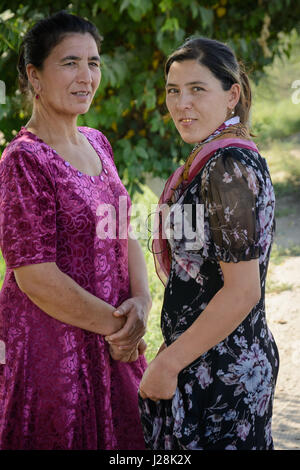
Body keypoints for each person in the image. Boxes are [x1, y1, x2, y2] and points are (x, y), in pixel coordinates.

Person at [0, 11, 151, 450]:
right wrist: (120, 328)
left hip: (114, 340)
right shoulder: (23, 160)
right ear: (35, 76)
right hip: (53, 349)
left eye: (94, 62)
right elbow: (35, 277)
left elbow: (125, 230)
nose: (86, 76)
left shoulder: (98, 141)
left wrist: (140, 303)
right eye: (70, 62)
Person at [138, 37, 279, 450]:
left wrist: (168, 363)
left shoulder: (226, 166)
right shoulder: (216, 158)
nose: (182, 104)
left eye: (197, 89)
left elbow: (242, 291)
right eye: (173, 91)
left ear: (231, 95)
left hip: (221, 373)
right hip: (211, 357)